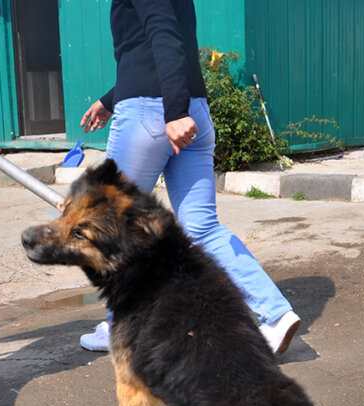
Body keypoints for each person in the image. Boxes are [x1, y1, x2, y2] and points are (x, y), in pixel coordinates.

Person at [78, 0, 301, 356]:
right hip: (193, 107)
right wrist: (112, 98)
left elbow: (163, 35)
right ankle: (276, 315)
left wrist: (173, 112)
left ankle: (122, 326)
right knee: (202, 227)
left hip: (157, 113)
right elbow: (158, 43)